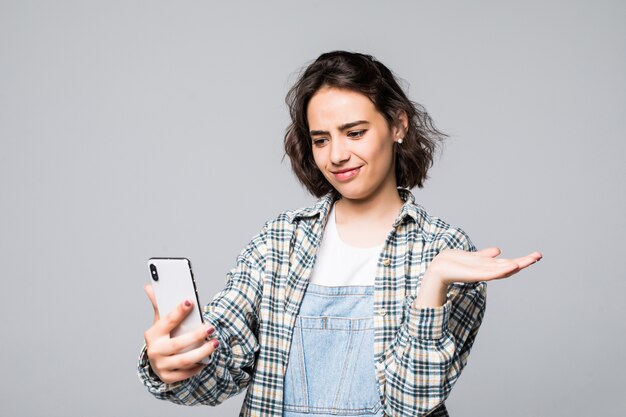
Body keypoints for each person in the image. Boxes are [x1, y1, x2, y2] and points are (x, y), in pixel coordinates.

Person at [137, 50, 542, 417]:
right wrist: (176, 360)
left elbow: (412, 403)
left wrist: (433, 284)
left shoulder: (445, 252)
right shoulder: (278, 242)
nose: (336, 155)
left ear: (398, 124)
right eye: (320, 139)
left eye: (355, 132)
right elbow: (217, 377)